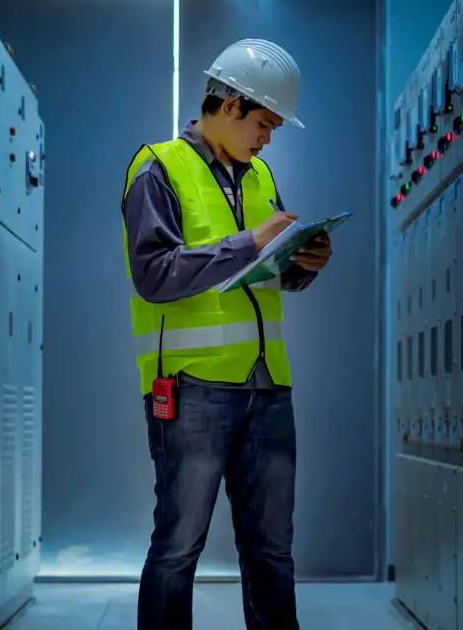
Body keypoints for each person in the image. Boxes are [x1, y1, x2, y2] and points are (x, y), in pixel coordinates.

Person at [120, 38, 332, 629]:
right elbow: (154, 275)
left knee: (272, 553)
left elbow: (263, 274)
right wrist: (252, 240)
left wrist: (301, 264)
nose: (269, 138)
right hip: (191, 389)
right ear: (231, 104)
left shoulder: (260, 175)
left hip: (268, 389)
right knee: (178, 548)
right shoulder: (158, 168)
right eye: (265, 123)